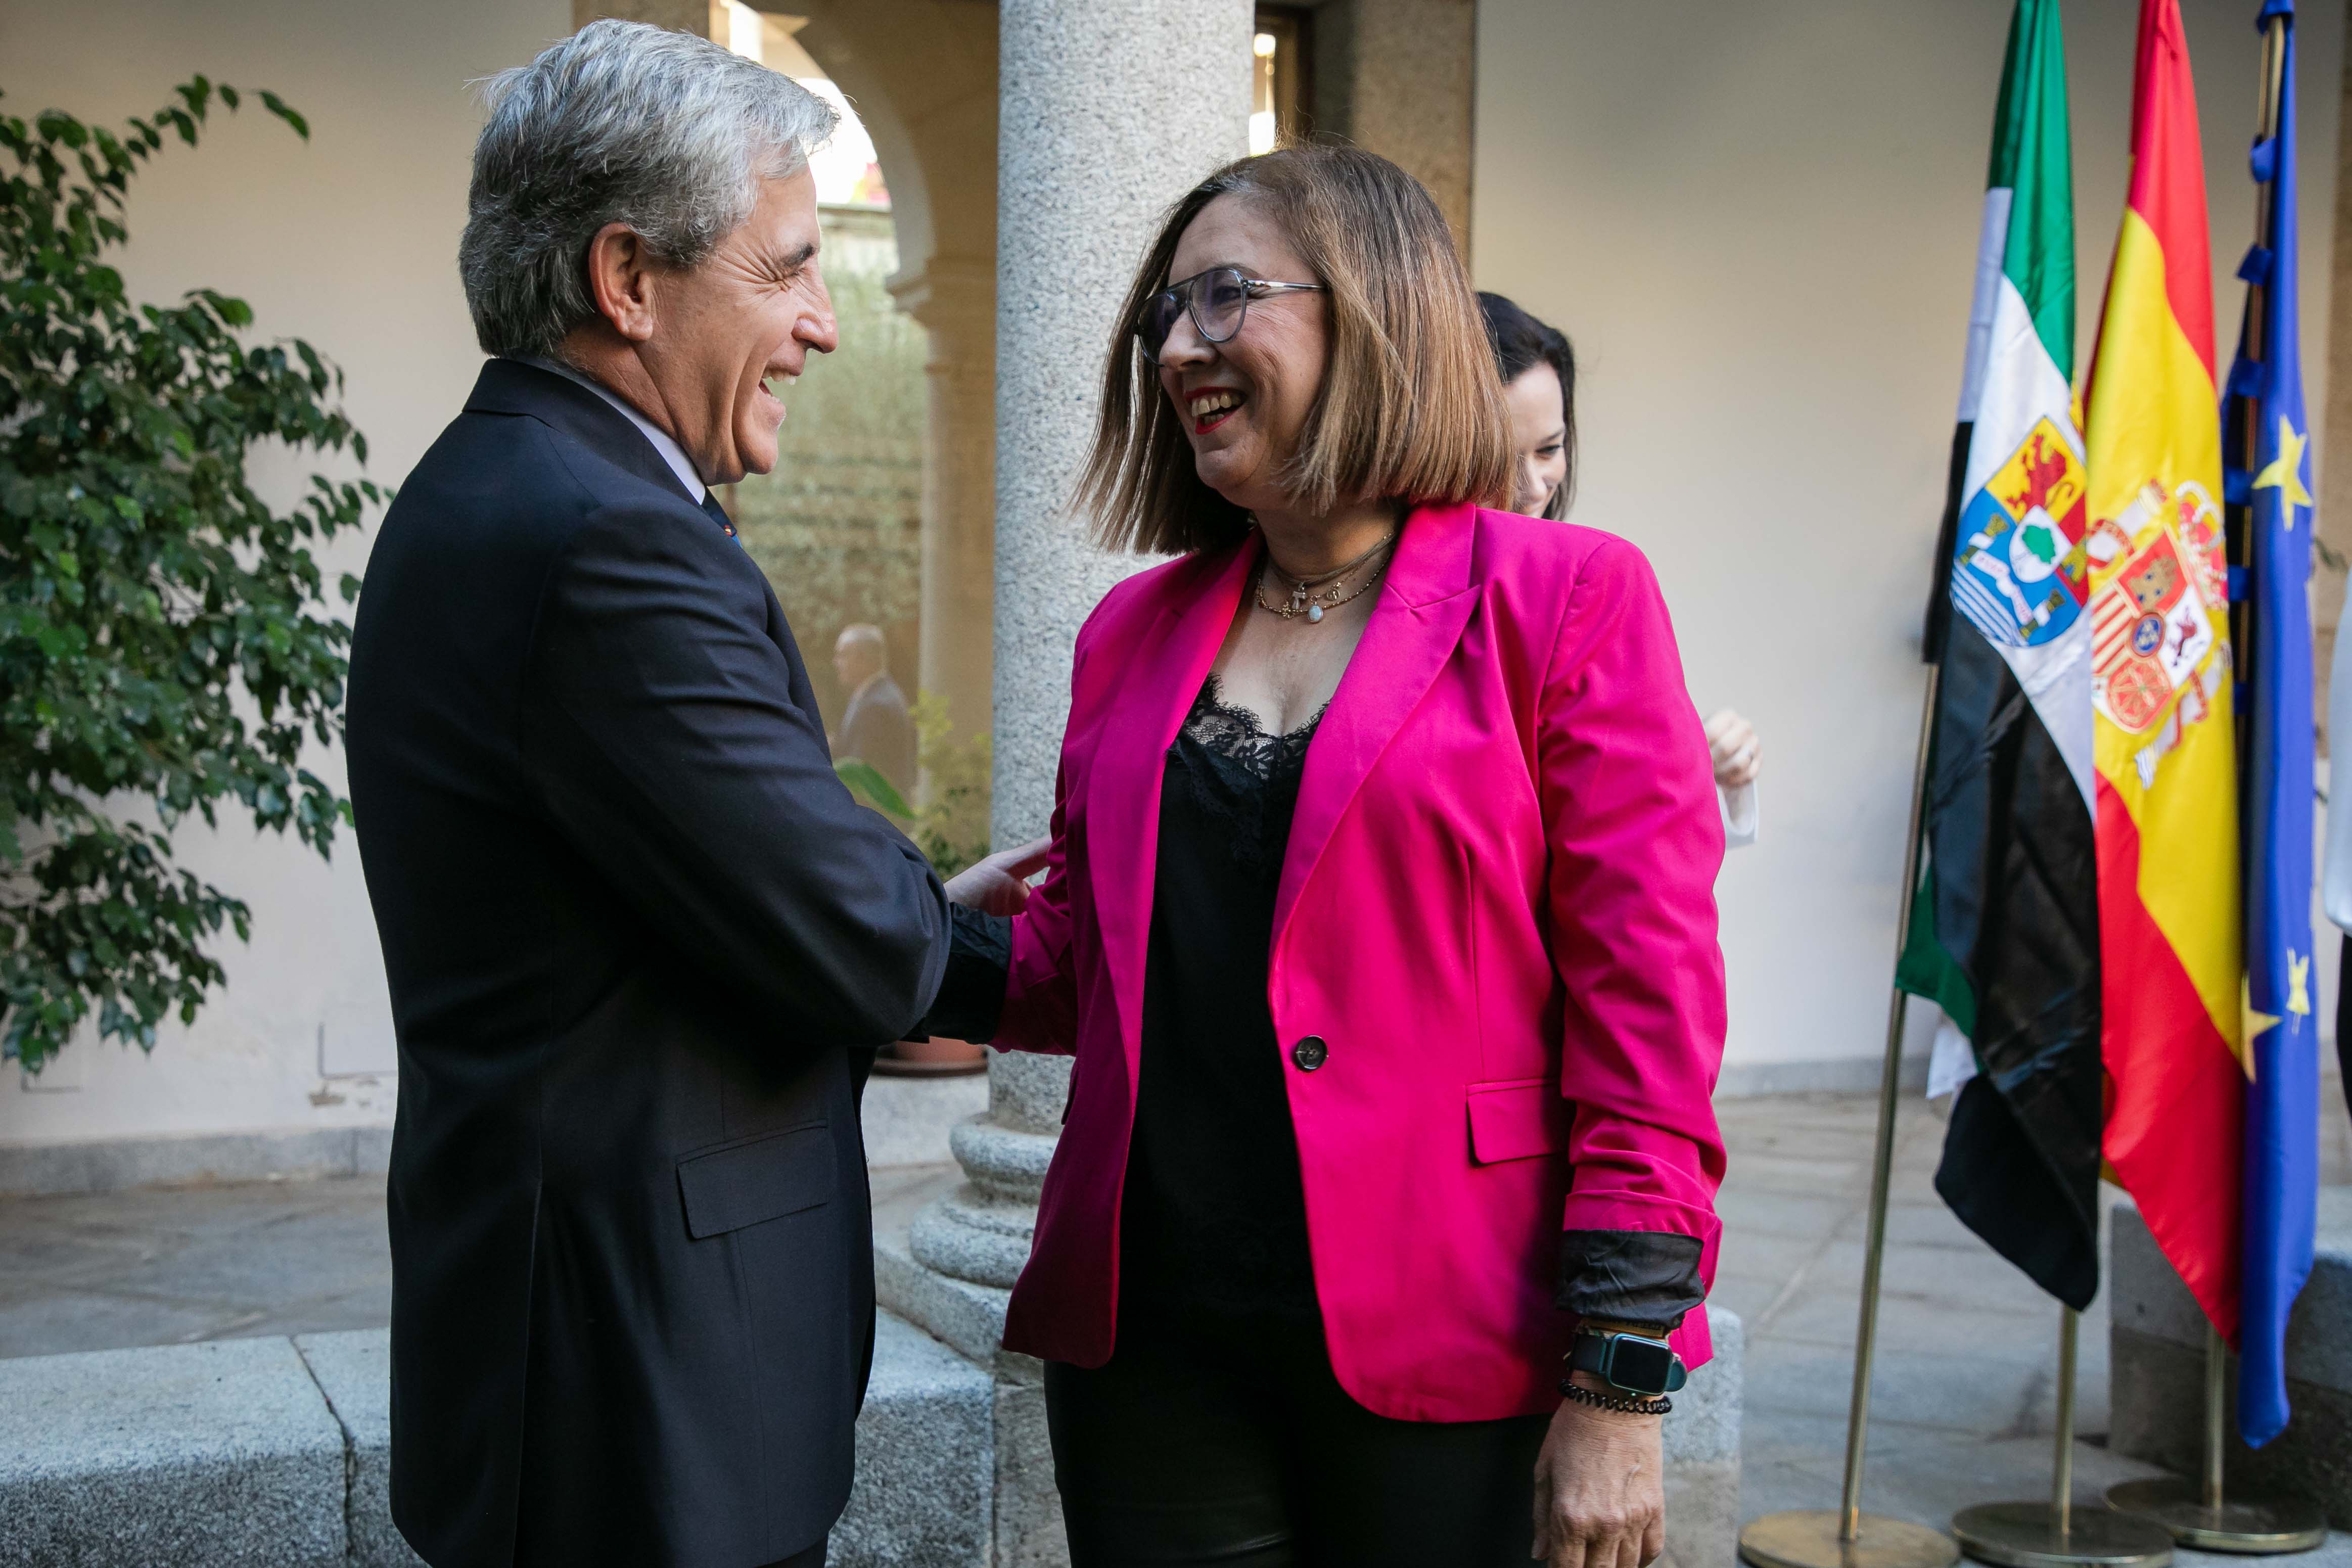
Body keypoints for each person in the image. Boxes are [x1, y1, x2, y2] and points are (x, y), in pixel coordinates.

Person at [929, 146, 1726, 1568]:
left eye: (1224, 296)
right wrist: (895, 935)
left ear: (1372, 308)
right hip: (1150, 1341)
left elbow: (1645, 1014)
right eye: (1164, 314)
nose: (1179, 345)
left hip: (1453, 1334)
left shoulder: (1568, 599)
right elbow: (1086, 969)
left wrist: (1619, 1375)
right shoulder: (1131, 631)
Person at [345, 23, 950, 1568]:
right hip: (639, 1396)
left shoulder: (498, 484)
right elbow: (851, 934)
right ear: (629, 279)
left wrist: (891, 903)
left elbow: (721, 878)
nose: (824, 321)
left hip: (577, 1361)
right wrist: (1041, 945)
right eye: (790, 267)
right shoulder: (608, 538)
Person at [1478, 289, 1761, 847]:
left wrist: (1684, 770)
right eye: (1497, 457)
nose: (1532, 487)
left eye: (1549, 449)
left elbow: (1621, 857)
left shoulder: (1584, 586)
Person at [832, 622, 917, 799]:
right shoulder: (876, 694)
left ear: (862, 659)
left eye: (842, 655)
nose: (836, 662)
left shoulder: (876, 706)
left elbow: (862, 772)